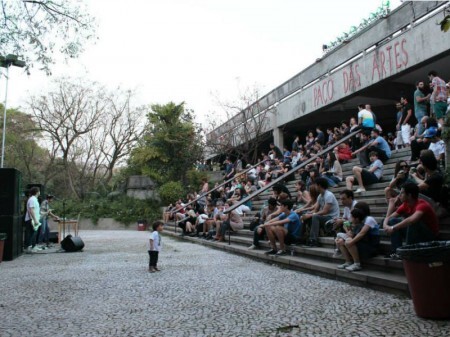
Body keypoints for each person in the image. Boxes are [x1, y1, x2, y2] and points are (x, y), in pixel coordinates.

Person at [383, 183, 439, 259]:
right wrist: (385, 224)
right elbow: (390, 217)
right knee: (393, 221)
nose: (399, 195)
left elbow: (412, 220)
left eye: (402, 193)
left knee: (412, 222)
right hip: (416, 233)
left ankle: (407, 252)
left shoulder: (422, 204)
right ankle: (397, 252)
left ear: (409, 195)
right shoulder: (406, 204)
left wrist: (393, 228)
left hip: (429, 236)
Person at [336, 203, 380, 271]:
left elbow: (361, 234)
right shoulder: (358, 220)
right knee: (341, 241)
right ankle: (348, 262)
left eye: (356, 209)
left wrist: (350, 242)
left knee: (348, 241)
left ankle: (357, 264)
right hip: (362, 242)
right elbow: (348, 229)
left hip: (370, 245)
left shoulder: (369, 219)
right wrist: (347, 230)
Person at [302, 178, 340, 247]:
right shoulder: (320, 196)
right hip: (325, 217)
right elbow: (316, 210)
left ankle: (314, 240)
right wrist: (307, 214)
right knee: (306, 216)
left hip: (332, 219)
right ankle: (303, 238)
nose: (315, 187)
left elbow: (325, 211)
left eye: (315, 185)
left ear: (319, 185)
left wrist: (311, 215)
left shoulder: (329, 195)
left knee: (315, 216)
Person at [24, 187, 41, 253]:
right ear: (37, 192)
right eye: (39, 191)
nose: (39, 192)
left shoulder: (35, 199)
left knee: (33, 233)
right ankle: (29, 247)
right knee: (31, 234)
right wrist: (35, 219)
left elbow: (36, 210)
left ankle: (33, 246)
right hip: (31, 219)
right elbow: (31, 210)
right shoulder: (32, 199)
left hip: (34, 219)